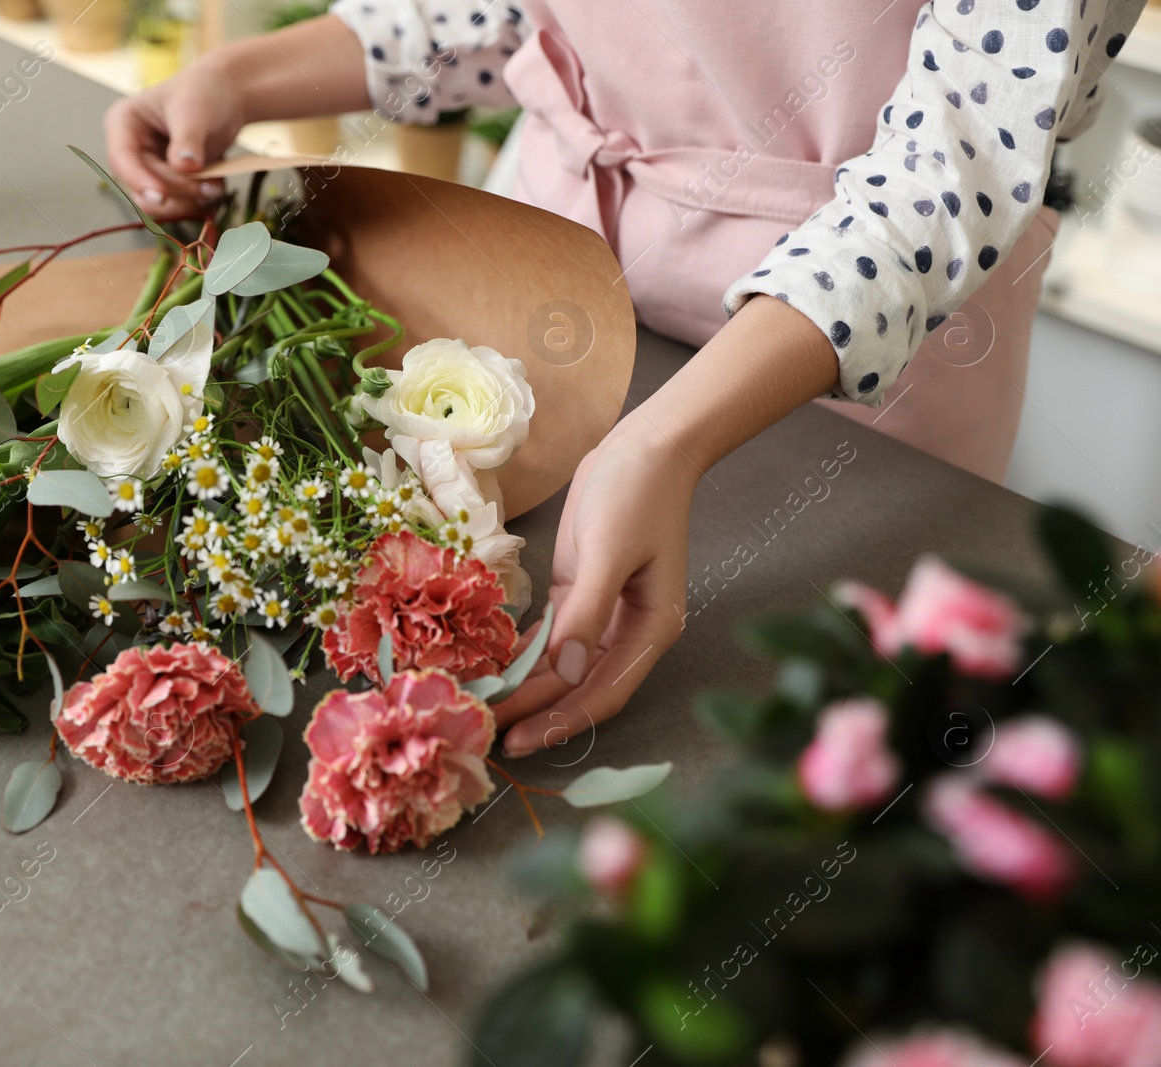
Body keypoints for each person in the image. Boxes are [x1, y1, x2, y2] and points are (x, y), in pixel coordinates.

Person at [105, 0, 1144, 757]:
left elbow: (949, 166)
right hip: (536, 272)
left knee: (767, 771)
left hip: (845, 372)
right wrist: (243, 81)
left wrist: (664, 441)